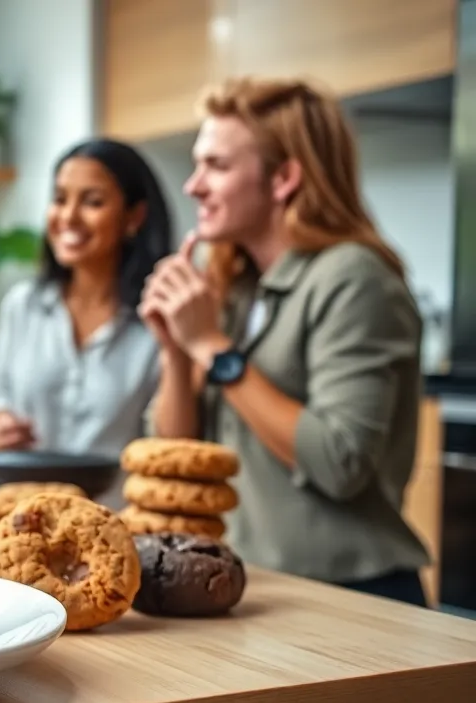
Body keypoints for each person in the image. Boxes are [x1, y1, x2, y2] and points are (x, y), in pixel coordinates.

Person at [141, 76, 431, 606]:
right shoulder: (233, 285)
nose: (193, 185)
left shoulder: (354, 278)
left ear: (284, 178)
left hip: (354, 599)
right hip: (257, 590)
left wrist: (212, 347)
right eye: (197, 163)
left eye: (217, 166)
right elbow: (173, 457)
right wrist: (175, 350)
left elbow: (339, 462)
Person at [0, 138, 174, 508]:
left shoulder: (158, 319)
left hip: (120, 523)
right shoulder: (21, 307)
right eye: (59, 199)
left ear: (134, 217)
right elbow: (3, 406)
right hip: (27, 517)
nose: (68, 217)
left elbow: (170, 443)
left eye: (92, 202)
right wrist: (5, 428)